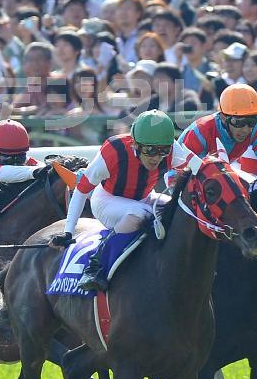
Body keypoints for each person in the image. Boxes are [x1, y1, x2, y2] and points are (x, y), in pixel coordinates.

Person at [50, 110, 176, 293]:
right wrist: (68, 232)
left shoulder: (173, 148)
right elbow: (81, 190)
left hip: (144, 198)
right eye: (149, 150)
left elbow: (199, 166)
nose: (156, 157)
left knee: (174, 208)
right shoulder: (113, 151)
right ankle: (96, 265)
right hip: (106, 200)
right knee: (141, 214)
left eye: (163, 150)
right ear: (135, 144)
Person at [171, 84, 257, 183]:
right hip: (177, 174)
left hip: (214, 173)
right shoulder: (201, 131)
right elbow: (190, 172)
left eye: (251, 121)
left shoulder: (256, 128)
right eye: (238, 122)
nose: (245, 129)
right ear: (223, 117)